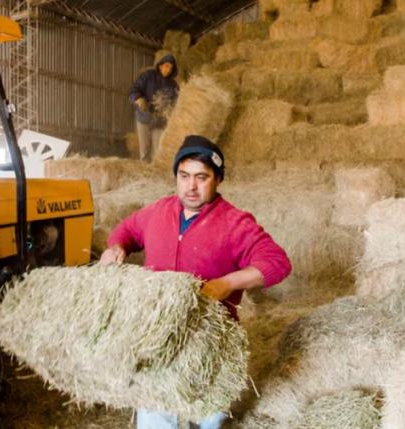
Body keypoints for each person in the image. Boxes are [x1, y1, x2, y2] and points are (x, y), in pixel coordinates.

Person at [100, 135, 292, 429]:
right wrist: (118, 247)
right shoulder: (157, 211)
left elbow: (277, 263)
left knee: (206, 417)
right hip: (159, 334)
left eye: (201, 177)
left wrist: (227, 283)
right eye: (184, 176)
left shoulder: (235, 223)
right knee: (156, 413)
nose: (191, 186)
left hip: (209, 342)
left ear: (217, 179)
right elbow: (127, 229)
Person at [128, 51, 179, 162]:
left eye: (171, 68)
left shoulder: (173, 85)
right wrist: (138, 99)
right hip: (144, 117)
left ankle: (156, 174)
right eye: (167, 66)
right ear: (160, 65)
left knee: (158, 152)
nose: (169, 70)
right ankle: (145, 175)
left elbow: (176, 103)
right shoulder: (148, 75)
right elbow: (134, 89)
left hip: (160, 122)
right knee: (145, 151)